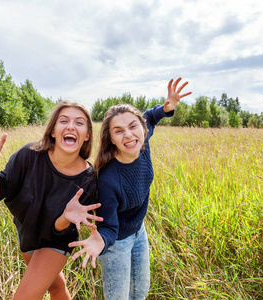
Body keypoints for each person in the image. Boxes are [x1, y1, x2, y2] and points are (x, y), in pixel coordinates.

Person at [0, 101, 103, 300]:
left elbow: (60, 228)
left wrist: (65, 217)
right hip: (28, 233)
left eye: (79, 123)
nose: (71, 126)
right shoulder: (30, 155)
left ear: (87, 135)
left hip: (57, 240)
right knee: (55, 287)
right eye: (64, 121)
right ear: (53, 131)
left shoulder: (89, 180)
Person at [67, 78, 191, 299]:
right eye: (119, 131)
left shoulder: (141, 142)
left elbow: (150, 117)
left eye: (133, 126)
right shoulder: (108, 178)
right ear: (111, 139)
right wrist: (101, 240)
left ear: (142, 129)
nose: (129, 135)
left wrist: (165, 108)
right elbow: (110, 226)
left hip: (139, 231)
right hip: (117, 242)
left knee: (141, 291)